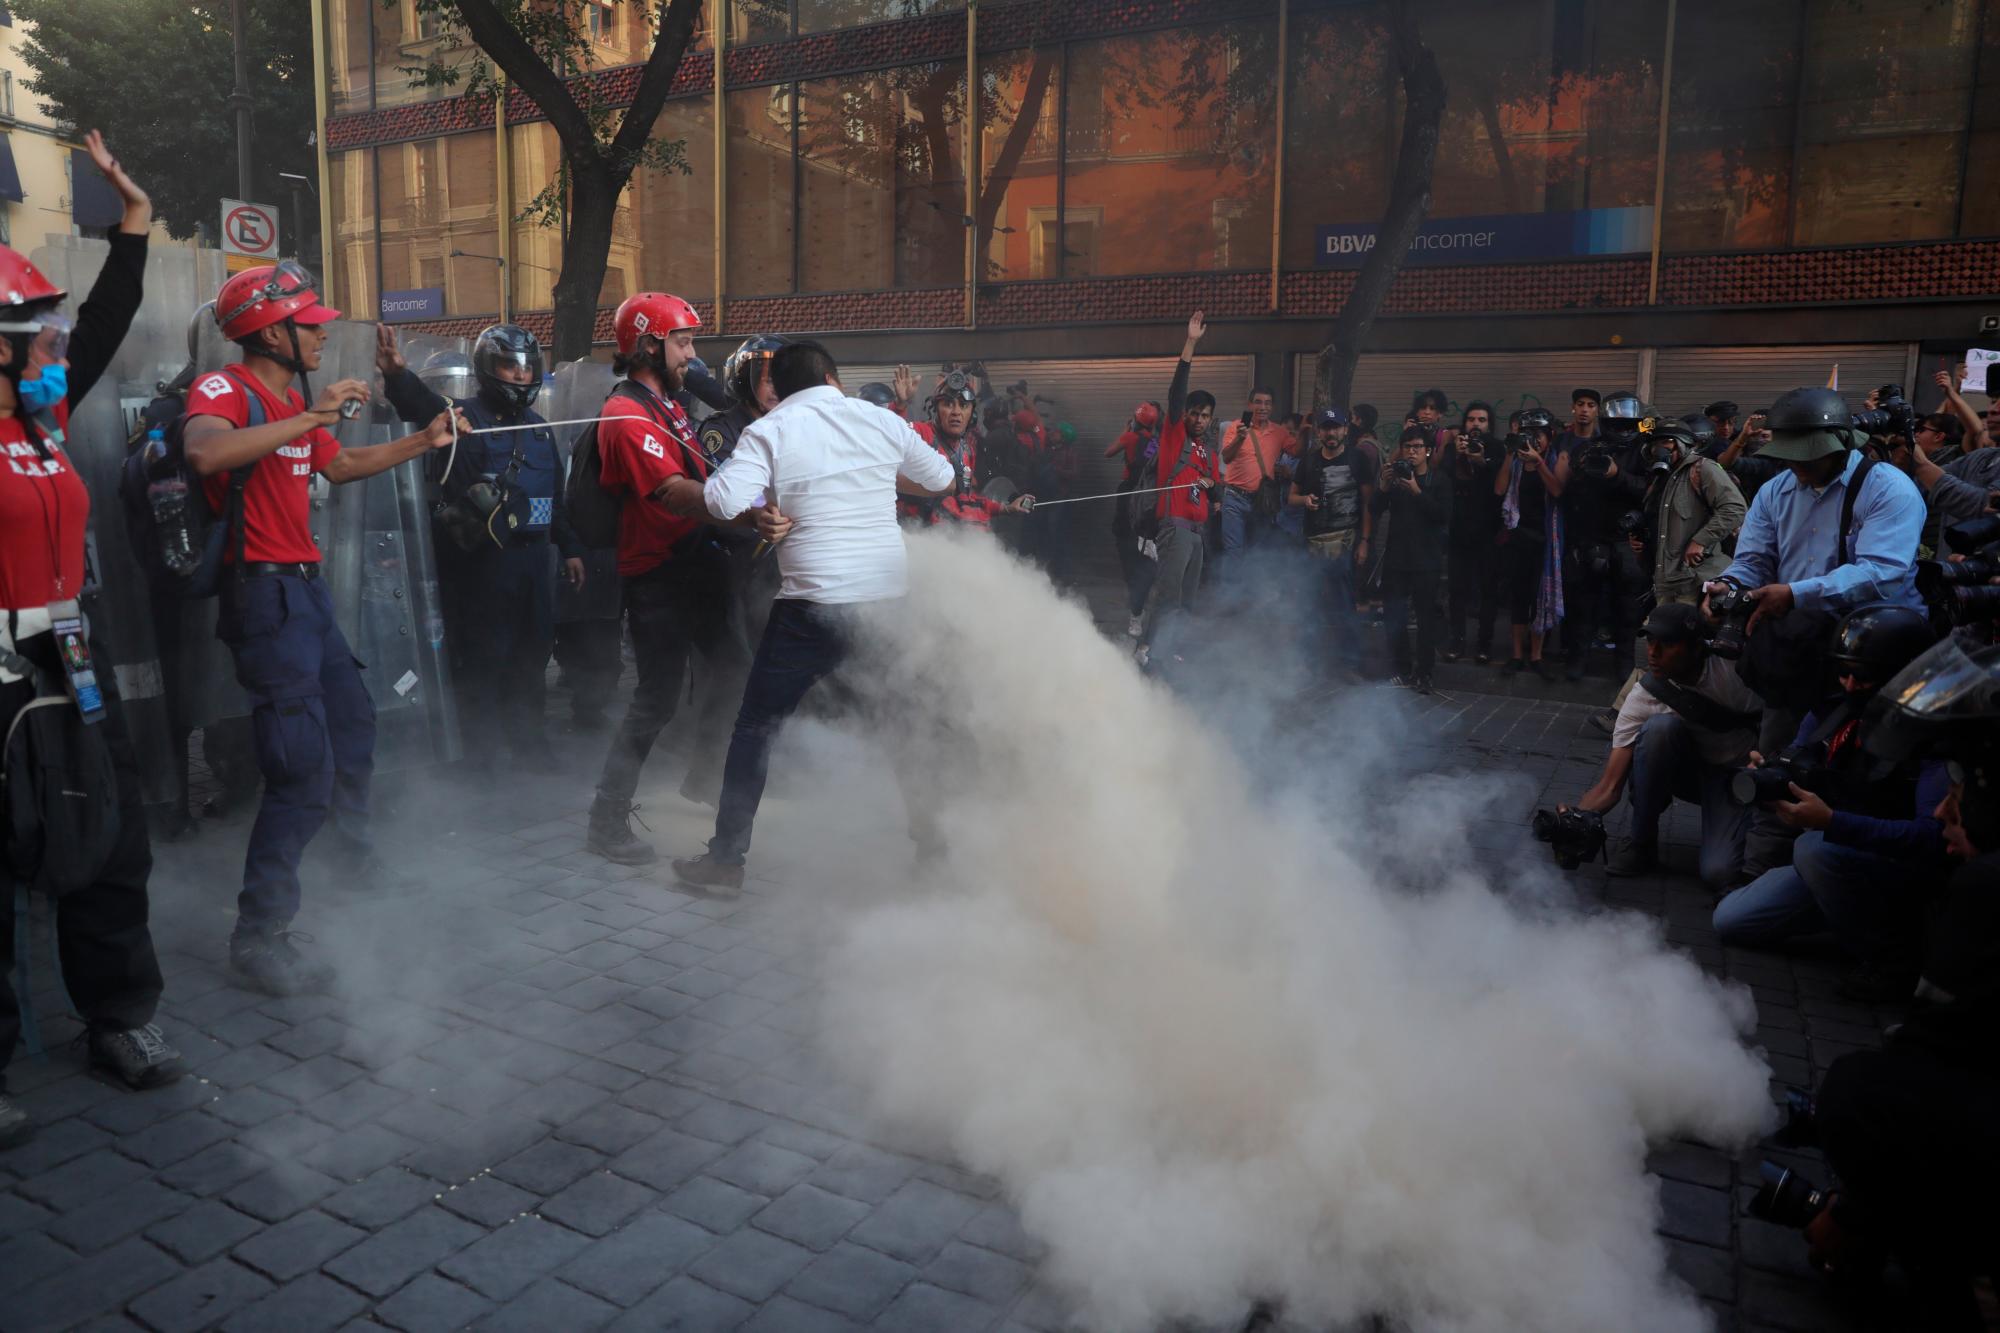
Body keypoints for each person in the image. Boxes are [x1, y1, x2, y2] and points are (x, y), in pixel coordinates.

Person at [184, 266, 462, 995]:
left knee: (355, 727)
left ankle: (350, 855)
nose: (322, 333)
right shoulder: (226, 390)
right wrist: (313, 416)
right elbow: (206, 452)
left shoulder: (291, 401)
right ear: (270, 330)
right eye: (309, 323)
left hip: (304, 596)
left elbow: (337, 468)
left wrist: (422, 440)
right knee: (301, 767)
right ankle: (260, 933)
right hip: (263, 598)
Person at [0, 135, 189, 1147]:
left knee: (112, 839)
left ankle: (116, 1018)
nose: (55, 354)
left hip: (68, 662)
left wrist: (132, 221)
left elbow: (109, 318)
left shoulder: (43, 422)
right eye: (36, 340)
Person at [667, 341, 952, 896]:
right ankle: (935, 845)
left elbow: (723, 504)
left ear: (784, 388)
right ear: (833, 378)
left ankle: (726, 863)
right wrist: (872, 478)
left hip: (812, 606)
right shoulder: (877, 418)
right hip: (884, 600)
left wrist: (758, 502)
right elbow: (941, 478)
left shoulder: (771, 430)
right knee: (901, 724)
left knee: (755, 728)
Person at [1795, 636, 2000, 1329]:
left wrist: (1856, 1207)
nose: (1947, 811)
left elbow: (1933, 1069)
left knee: (1862, 1092)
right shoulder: (1831, 715)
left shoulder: (1985, 887)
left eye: (1963, 796)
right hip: (1850, 848)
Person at [583, 294, 763, 864]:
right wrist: (748, 514)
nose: (693, 353)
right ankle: (606, 818)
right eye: (682, 341)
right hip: (658, 575)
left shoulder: (670, 403)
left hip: (695, 563)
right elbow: (675, 493)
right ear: (647, 345)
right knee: (655, 700)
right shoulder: (624, 415)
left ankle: (704, 778)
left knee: (735, 663)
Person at [1711, 604, 1942, 999]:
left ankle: (1892, 960)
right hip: (1841, 854)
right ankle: (1844, 908)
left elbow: (1932, 840)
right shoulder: (1834, 707)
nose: (1850, 685)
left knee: (1814, 849)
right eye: (1844, 672)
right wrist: (1774, 778)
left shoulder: (1932, 736)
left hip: (1901, 870)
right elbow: (1801, 757)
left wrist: (1832, 822)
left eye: (1864, 677)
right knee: (1731, 921)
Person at [377, 324, 581, 764]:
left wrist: (572, 549)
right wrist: (397, 376)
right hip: (483, 565)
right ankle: (480, 756)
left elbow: (557, 500)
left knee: (533, 655)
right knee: (484, 659)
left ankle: (530, 744)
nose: (520, 376)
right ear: (489, 369)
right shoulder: (462, 418)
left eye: (527, 368)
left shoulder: (544, 430)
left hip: (535, 562)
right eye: (510, 366)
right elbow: (421, 406)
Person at [1564, 603, 1763, 888]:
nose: (1653, 653)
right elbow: (1609, 788)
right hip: (1688, 773)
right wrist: (1574, 819)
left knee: (1719, 873)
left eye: (1667, 644)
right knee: (1658, 730)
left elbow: (1777, 722)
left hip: (1737, 779)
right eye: (1650, 641)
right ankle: (1641, 843)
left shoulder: (1735, 673)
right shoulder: (1644, 694)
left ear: (1697, 647)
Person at [1134, 312, 1220, 671]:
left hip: (1198, 534)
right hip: (1175, 529)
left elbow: (1217, 493)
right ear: (1184, 414)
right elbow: (1176, 391)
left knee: (1187, 601)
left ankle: (1172, 650)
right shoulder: (1174, 436)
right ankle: (1147, 649)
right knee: (1168, 595)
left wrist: (1214, 490)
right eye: (1194, 413)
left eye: (1205, 415)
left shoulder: (1209, 453)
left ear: (1211, 419)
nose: (1198, 419)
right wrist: (1190, 344)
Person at [1561, 391, 1649, 681]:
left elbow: (1650, 490)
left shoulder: (1645, 450)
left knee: (1627, 609)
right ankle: (1577, 660)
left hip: (1628, 540)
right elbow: (1573, 493)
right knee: (1584, 605)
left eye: (1628, 423)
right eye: (1617, 423)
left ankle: (1623, 665)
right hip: (1593, 538)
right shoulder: (1593, 447)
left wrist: (1616, 475)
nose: (1622, 429)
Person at [1289, 407, 1371, 679]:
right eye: (1326, 428)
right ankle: (1308, 662)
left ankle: (1349, 664)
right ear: (1319, 432)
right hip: (1313, 544)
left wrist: (1365, 541)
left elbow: (1368, 504)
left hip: (1345, 544)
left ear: (1345, 430)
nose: (1331, 433)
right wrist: (1305, 501)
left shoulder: (1357, 459)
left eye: (1336, 427)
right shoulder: (1309, 461)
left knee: (1344, 605)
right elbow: (1292, 496)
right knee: (1310, 605)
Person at [899, 369, 1033, 530]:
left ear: (972, 415)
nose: (956, 412)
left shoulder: (966, 450)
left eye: (963, 405)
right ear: (936, 410)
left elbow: (967, 497)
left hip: (955, 541)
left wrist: (1006, 508)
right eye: (948, 404)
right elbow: (887, 440)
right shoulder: (921, 434)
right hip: (919, 538)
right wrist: (899, 406)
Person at [1372, 426, 1452, 693]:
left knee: (1426, 619)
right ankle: (1401, 669)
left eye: (1418, 447)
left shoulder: (1438, 480)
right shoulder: (1395, 480)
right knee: (1394, 617)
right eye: (1408, 447)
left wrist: (1417, 490)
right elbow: (1374, 510)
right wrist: (1383, 486)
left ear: (1428, 450)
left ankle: (1425, 672)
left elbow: (1442, 515)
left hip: (1426, 561)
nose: (1412, 452)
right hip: (1397, 559)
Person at [1636, 416, 1746, 609]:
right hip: (1665, 582)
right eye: (1655, 443)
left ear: (1682, 444)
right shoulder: (1658, 479)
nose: (1659, 449)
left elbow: (1735, 508)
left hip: (1695, 580)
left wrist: (1701, 540)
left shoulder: (1702, 468)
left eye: (1666, 442)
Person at [1494, 408, 1569, 677]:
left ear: (1549, 436)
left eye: (1538, 434)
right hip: (1518, 537)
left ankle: (1536, 656)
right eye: (1527, 434)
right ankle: (1516, 655)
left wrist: (1538, 462)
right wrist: (1510, 453)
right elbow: (1500, 490)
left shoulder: (1554, 459)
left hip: (1546, 540)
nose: (1533, 440)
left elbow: (1558, 490)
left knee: (1540, 599)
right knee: (1519, 598)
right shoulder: (1516, 462)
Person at [1442, 401, 1502, 664]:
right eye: (1471, 419)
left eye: (1482, 420)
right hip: (1458, 531)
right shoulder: (1452, 449)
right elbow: (1442, 479)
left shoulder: (1498, 448)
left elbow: (1499, 484)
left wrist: (1480, 460)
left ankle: (1484, 644)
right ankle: (1456, 641)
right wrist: (1457, 456)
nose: (1476, 424)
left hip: (1489, 530)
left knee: (1489, 590)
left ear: (1489, 424)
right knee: (1457, 590)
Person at [1108, 401, 1162, 637]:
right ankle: (1142, 607)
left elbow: (1108, 452)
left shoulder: (1130, 438)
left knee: (1129, 553)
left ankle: (1136, 612)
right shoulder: (1158, 443)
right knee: (1147, 558)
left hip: (1129, 498)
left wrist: (1126, 430)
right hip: (1150, 501)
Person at [1218, 386, 1288, 561]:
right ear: (1249, 404)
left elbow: (1297, 451)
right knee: (1233, 552)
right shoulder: (1236, 427)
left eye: (1267, 403)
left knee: (1258, 552)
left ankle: (1254, 588)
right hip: (1234, 498)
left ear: (1272, 407)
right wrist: (1240, 438)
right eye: (1258, 402)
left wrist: (1305, 430)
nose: (1262, 407)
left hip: (1261, 500)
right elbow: (1226, 457)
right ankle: (1232, 589)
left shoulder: (1279, 432)